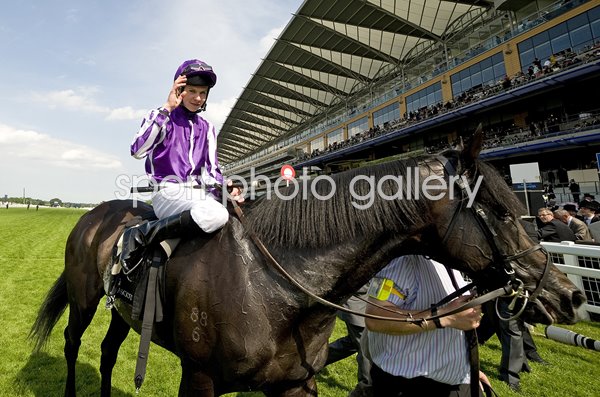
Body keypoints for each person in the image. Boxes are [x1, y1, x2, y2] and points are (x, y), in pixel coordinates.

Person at [118, 59, 243, 273]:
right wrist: (167, 109)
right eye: (192, 90)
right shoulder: (160, 117)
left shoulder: (208, 128)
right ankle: (142, 234)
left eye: (202, 93)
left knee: (239, 209)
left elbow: (212, 172)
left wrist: (226, 189)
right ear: (179, 90)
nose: (198, 97)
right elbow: (137, 151)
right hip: (167, 192)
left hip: (199, 195)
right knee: (217, 215)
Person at [365, 255, 491, 397]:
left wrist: (468, 371)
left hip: (458, 381)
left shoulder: (448, 262)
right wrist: (445, 316)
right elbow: (375, 318)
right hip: (410, 387)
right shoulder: (402, 261)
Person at [325, 284, 372, 397]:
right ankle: (366, 386)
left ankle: (315, 360)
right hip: (357, 305)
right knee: (365, 347)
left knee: (351, 343)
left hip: (365, 303)